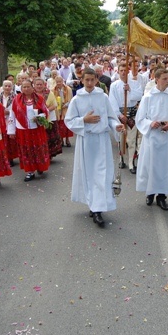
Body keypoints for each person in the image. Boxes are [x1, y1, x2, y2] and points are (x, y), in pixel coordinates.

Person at [65, 68, 124, 227]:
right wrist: (84, 120)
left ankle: (97, 209)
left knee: (101, 174)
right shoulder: (77, 99)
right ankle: (93, 204)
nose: (90, 83)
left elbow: (111, 117)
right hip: (86, 141)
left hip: (102, 141)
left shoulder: (103, 97)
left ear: (96, 80)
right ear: (82, 80)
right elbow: (69, 120)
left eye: (92, 80)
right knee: (89, 174)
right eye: (87, 80)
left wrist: (116, 126)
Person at [135, 68, 168, 211]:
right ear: (156, 79)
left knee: (165, 166)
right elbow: (140, 118)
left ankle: (162, 196)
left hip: (167, 138)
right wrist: (150, 123)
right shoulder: (148, 97)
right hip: (152, 137)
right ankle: (150, 193)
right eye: (165, 78)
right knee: (151, 165)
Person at [7, 79, 50, 182]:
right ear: (21, 88)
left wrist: (40, 118)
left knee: (38, 148)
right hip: (23, 130)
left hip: (37, 129)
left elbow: (45, 111)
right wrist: (11, 131)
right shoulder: (16, 100)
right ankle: (29, 171)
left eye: (28, 87)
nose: (26, 89)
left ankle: (40, 166)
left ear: (32, 87)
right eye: (24, 87)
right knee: (26, 150)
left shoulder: (39, 98)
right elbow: (12, 115)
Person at [108, 63, 143, 173]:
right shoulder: (114, 85)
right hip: (121, 115)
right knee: (121, 139)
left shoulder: (135, 83)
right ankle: (121, 159)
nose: (123, 72)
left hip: (132, 115)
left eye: (125, 70)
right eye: (121, 70)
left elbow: (140, 96)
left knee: (132, 141)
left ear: (128, 71)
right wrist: (118, 114)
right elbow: (112, 101)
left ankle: (132, 163)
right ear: (118, 71)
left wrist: (130, 90)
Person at [34, 77, 62, 158]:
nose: (39, 86)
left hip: (49, 118)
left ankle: (49, 154)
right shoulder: (32, 94)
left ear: (44, 85)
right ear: (34, 85)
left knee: (50, 137)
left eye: (40, 84)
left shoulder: (49, 93)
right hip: (36, 119)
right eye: (37, 84)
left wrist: (45, 111)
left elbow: (55, 105)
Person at [0, 80, 19, 165]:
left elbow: (17, 108)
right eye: (5, 86)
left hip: (10, 120)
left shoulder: (15, 97)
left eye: (9, 86)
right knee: (2, 139)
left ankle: (10, 158)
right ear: (2, 87)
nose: (7, 88)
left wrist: (9, 112)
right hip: (0, 120)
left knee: (10, 140)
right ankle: (3, 157)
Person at [53, 75, 73, 147]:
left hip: (66, 108)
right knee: (60, 126)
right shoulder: (53, 90)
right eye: (57, 82)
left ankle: (67, 140)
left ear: (63, 81)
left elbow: (71, 99)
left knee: (66, 125)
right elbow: (53, 100)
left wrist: (66, 104)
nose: (58, 83)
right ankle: (61, 140)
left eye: (60, 81)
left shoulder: (68, 89)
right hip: (57, 109)